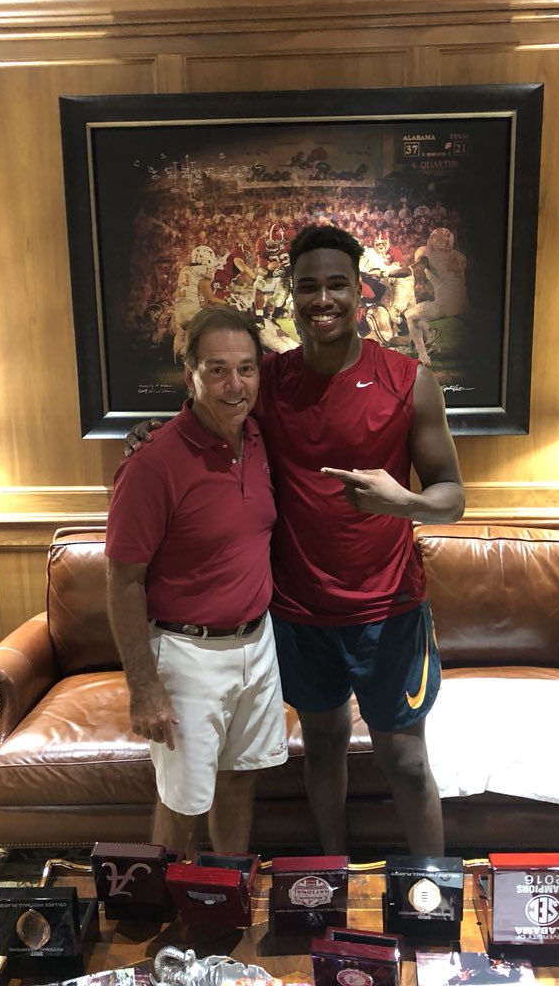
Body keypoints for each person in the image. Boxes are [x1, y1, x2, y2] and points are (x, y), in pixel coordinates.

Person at [127, 223, 464, 856]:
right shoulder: (269, 381)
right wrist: (150, 433)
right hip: (299, 613)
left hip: (390, 610)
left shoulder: (408, 381)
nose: (323, 299)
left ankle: (432, 891)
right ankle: (330, 872)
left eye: (337, 284)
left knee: (406, 760)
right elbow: (208, 415)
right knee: (324, 749)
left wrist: (407, 503)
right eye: (309, 286)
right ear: (293, 291)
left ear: (360, 289)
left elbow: (453, 496)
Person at [105, 307, 287, 857]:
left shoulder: (259, 438)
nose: (235, 385)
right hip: (186, 654)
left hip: (258, 644)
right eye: (217, 370)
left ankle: (226, 892)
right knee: (183, 802)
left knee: (239, 781)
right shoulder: (152, 464)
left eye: (246, 369)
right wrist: (143, 686)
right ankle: (169, 903)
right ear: (191, 374)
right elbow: (123, 581)